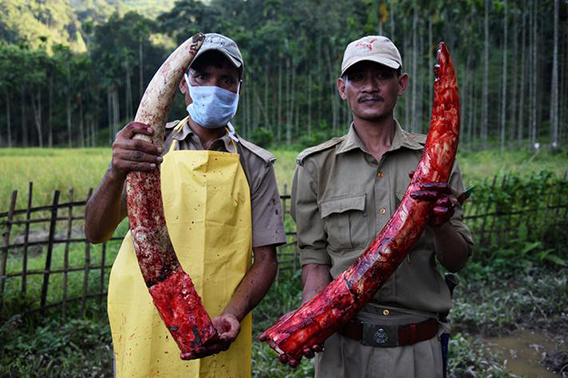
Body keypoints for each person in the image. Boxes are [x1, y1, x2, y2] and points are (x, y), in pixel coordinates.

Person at [85, 33, 286, 378]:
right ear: (182, 84)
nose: (214, 86)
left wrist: (233, 314)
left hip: (219, 325)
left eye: (226, 80)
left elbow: (265, 260)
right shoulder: (148, 148)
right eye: (202, 77)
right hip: (144, 319)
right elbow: (96, 231)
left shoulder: (254, 164)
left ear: (239, 88)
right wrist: (116, 170)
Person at [290, 36, 474, 377]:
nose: (370, 87)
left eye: (382, 76)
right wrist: (310, 314)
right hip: (342, 349)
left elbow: (458, 259)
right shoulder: (316, 165)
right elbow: (314, 257)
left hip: (417, 349)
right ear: (342, 87)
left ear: (400, 84)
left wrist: (440, 223)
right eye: (358, 77)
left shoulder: (434, 162)